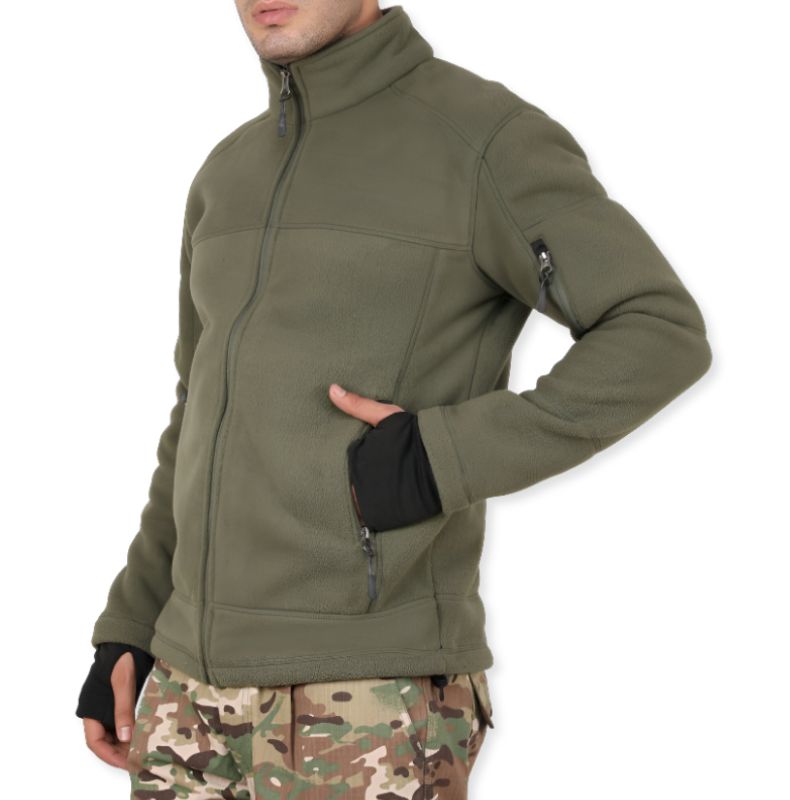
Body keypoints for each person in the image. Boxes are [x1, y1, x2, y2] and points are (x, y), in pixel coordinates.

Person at [76, 2, 714, 797]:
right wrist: (132, 623)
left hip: (367, 696)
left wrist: (438, 458)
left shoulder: (483, 141)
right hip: (184, 695)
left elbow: (658, 330)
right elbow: (197, 409)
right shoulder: (227, 172)